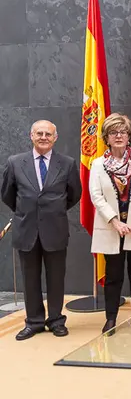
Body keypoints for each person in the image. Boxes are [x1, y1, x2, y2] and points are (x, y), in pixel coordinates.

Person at [1, 120, 81, 341]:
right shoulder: (15, 163)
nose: (44, 137)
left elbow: (74, 194)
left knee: (56, 278)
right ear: (31, 136)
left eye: (48, 134)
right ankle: (34, 322)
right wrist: (28, 211)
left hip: (55, 229)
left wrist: (52, 211)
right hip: (26, 230)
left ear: (55, 138)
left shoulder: (67, 163)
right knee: (30, 279)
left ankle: (56, 320)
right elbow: (8, 194)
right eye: (39, 133)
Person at [88, 114, 131, 334]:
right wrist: (114, 221)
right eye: (113, 132)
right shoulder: (97, 165)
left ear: (129, 136)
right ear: (106, 137)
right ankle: (110, 319)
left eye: (122, 132)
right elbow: (96, 196)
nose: (118, 136)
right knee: (113, 276)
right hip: (111, 229)